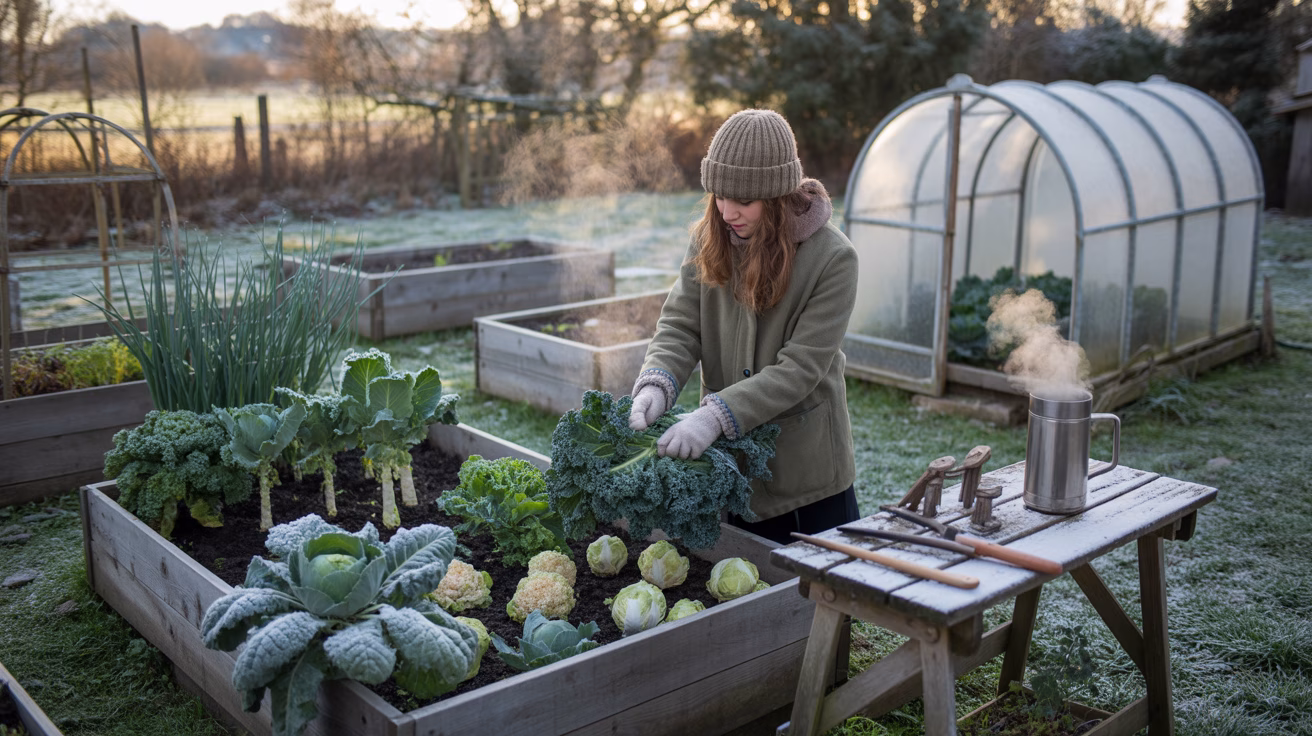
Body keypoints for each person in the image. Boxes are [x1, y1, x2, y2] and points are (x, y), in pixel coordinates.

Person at [626, 108, 860, 545]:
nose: (727, 211)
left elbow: (800, 369)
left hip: (805, 476)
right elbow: (680, 324)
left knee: (818, 607)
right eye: (719, 195)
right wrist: (657, 384)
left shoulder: (833, 259)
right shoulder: (708, 236)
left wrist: (714, 417)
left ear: (776, 197)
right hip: (731, 466)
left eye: (744, 201)